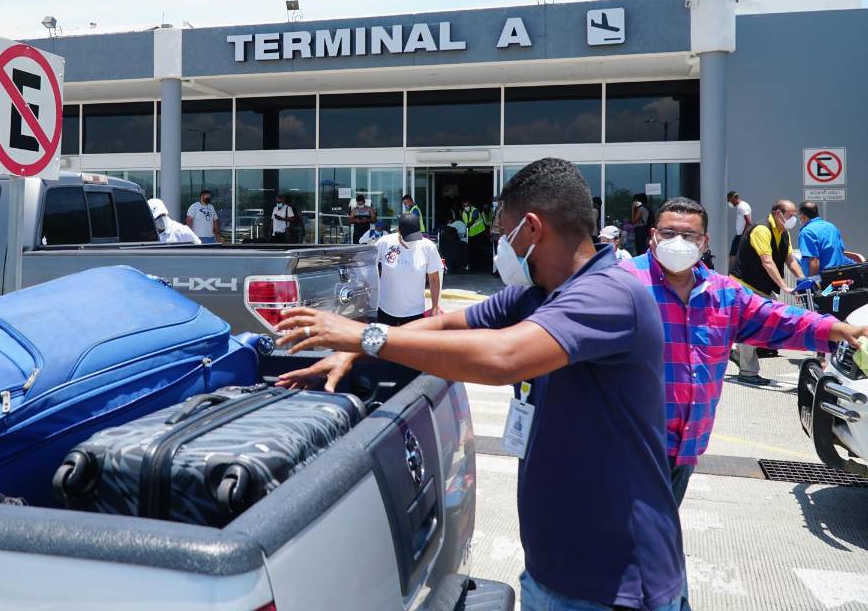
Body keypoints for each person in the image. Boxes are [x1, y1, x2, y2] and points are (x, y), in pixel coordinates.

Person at [275, 159, 685, 611]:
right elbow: (447, 324)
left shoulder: (610, 294)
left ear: (532, 229)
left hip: (617, 585)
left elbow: (501, 359)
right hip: (554, 571)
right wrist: (353, 352)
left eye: (503, 234)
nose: (499, 246)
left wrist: (365, 335)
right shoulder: (537, 294)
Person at [619, 196, 865, 610]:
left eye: (689, 235)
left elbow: (778, 319)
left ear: (705, 242)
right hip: (630, 448)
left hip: (685, 448)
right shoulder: (621, 283)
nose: (678, 242)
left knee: (649, 544)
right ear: (652, 236)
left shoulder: (722, 294)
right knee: (646, 550)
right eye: (669, 233)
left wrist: (835, 329)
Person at [729, 199, 807, 384]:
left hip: (761, 286)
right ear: (778, 213)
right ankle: (748, 372)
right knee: (753, 325)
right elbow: (767, 260)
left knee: (767, 322)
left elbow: (789, 259)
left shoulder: (784, 233)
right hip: (745, 284)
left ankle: (738, 353)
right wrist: (784, 286)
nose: (794, 218)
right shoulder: (762, 229)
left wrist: (803, 279)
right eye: (790, 215)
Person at [372, 213, 442, 325]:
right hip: (386, 310)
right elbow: (370, 266)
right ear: (399, 231)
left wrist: (435, 307)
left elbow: (434, 279)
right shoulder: (384, 243)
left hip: (415, 312)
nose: (412, 241)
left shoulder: (428, 247)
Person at [797, 202, 856, 276]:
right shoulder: (831, 227)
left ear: (803, 215)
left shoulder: (806, 232)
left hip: (824, 279)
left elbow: (814, 260)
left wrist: (812, 281)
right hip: (840, 275)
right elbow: (840, 251)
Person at [726, 191, 753, 259]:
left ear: (733, 199)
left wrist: (743, 235)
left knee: (733, 255)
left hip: (741, 235)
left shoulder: (742, 207)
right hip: (741, 235)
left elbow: (749, 222)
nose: (729, 203)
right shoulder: (742, 206)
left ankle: (732, 266)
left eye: (729, 201)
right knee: (738, 255)